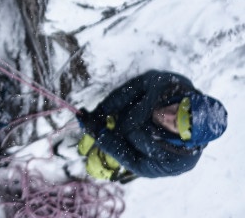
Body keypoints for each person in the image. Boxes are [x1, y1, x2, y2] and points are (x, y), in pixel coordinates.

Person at [75, 69, 227, 180]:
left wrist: (101, 134)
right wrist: (103, 110)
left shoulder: (180, 161)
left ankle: (82, 170)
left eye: (174, 123)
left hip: (130, 147)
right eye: (176, 109)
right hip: (122, 115)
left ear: (181, 138)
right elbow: (137, 86)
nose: (166, 115)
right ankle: (78, 148)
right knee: (85, 143)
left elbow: (136, 164)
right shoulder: (175, 86)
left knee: (97, 164)